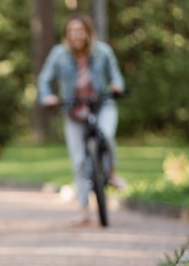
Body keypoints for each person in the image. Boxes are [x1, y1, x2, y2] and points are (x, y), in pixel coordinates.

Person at [37, 12, 126, 226]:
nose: (76, 35)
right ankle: (84, 211)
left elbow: (115, 75)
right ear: (66, 35)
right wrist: (47, 96)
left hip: (102, 105)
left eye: (80, 31)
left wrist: (116, 86)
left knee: (106, 135)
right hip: (73, 111)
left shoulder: (103, 51)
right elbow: (44, 79)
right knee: (78, 161)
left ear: (88, 32)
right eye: (71, 32)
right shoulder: (59, 54)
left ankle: (112, 172)